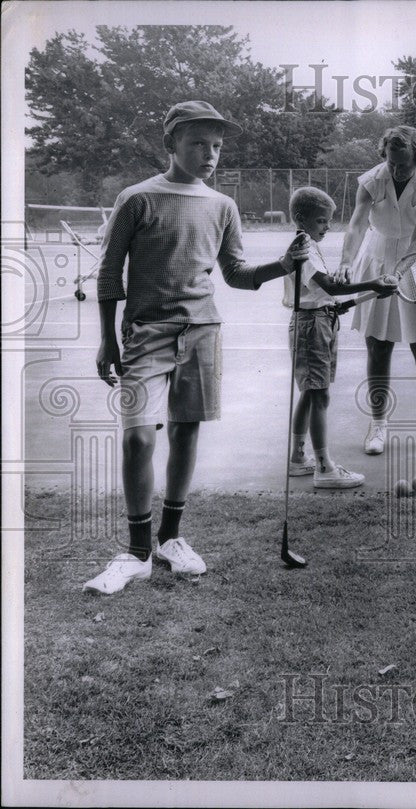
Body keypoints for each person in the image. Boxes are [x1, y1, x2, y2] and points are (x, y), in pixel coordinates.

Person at [86, 100, 308, 594]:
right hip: (143, 333)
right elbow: (108, 275)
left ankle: (171, 539)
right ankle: (137, 551)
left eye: (217, 146)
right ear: (171, 144)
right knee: (138, 438)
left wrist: (284, 265)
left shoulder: (223, 206)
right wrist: (107, 338)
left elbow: (237, 275)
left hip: (203, 331)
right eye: (198, 144)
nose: (210, 154)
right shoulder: (136, 199)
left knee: (186, 433)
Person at [337, 126, 416, 455]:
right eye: (391, 163)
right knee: (378, 346)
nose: (396, 169)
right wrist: (347, 262)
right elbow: (358, 223)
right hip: (375, 257)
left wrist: (399, 272)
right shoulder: (372, 180)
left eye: (403, 164)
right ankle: (378, 425)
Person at [284, 187, 397, 488]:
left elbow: (324, 292)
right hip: (312, 326)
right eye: (322, 221)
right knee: (319, 394)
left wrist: (364, 289)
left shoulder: (308, 245)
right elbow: (329, 289)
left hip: (319, 320)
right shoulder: (302, 247)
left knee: (311, 393)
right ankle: (325, 468)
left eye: (329, 220)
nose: (328, 227)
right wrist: (372, 282)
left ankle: (298, 458)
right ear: (301, 219)